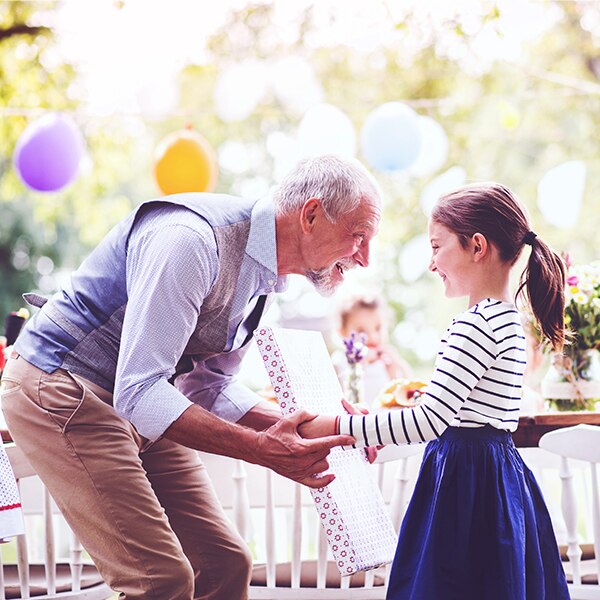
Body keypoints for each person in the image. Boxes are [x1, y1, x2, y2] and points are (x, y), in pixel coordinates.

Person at [0, 154, 381, 600]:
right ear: (311, 214)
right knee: (160, 582)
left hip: (132, 401)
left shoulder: (264, 277)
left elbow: (208, 388)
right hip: (61, 385)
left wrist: (333, 427)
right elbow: (139, 391)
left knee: (224, 564)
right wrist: (263, 449)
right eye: (359, 237)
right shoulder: (193, 241)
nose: (366, 258)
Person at [302, 182, 570, 599]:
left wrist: (338, 426)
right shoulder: (509, 322)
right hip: (498, 478)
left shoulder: (476, 325)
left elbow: (431, 420)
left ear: (476, 246)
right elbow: (463, 406)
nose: (431, 264)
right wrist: (369, 424)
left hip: (465, 486)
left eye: (436, 247)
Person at [332, 292, 411, 407]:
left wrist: (395, 368)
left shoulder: (386, 363)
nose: (373, 337)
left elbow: (408, 396)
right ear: (342, 332)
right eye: (361, 331)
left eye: (378, 328)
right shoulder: (340, 362)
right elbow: (342, 400)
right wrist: (358, 367)